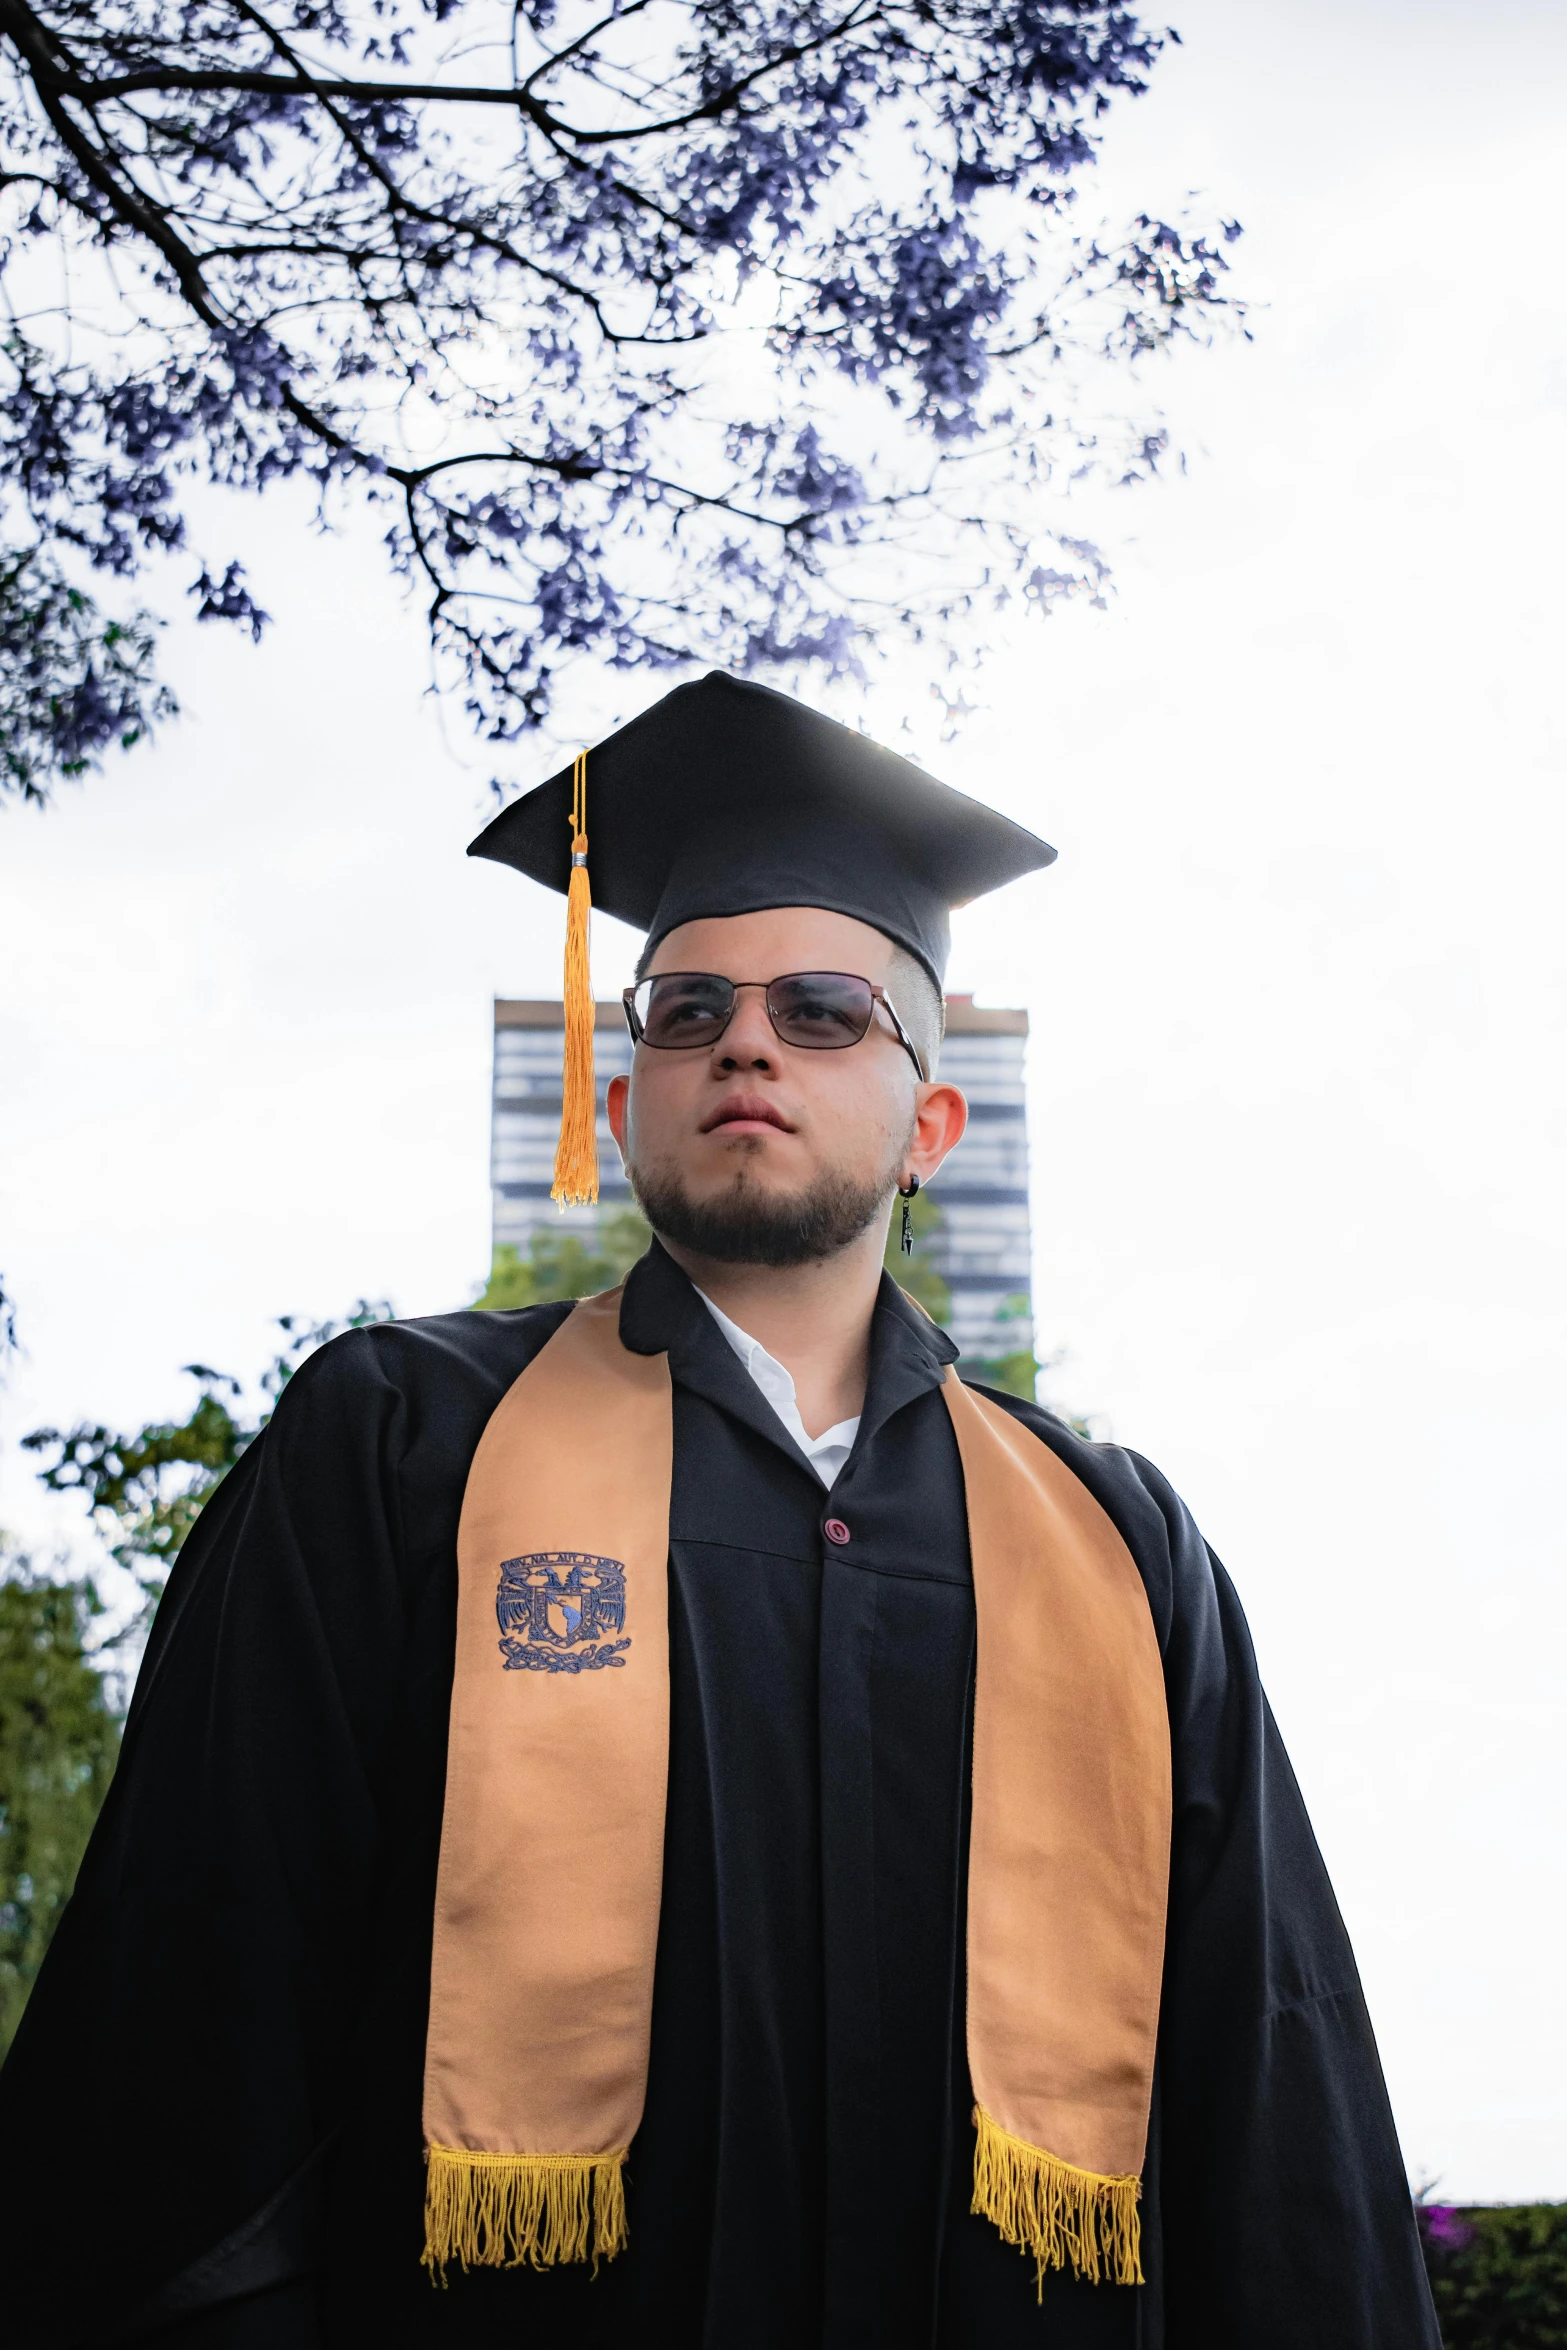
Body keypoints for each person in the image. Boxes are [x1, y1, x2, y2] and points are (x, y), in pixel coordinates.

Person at [0, 675, 1439, 2349]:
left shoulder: (1112, 1546)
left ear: (930, 1123)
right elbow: (192, 2037)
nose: (745, 1039)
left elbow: (1273, 2111)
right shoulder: (398, 1450)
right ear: (620, 1103)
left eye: (826, 1009)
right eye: (684, 1011)